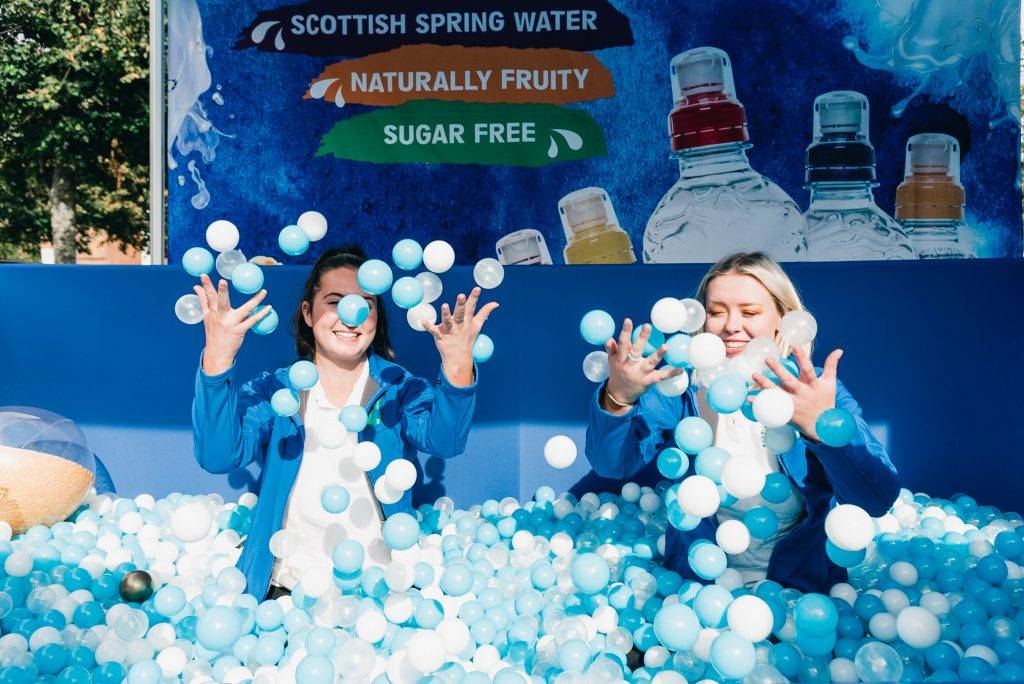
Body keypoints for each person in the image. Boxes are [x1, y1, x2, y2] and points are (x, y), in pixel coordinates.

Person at [191, 245, 498, 601]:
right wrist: (218, 355)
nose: (349, 316)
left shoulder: (399, 387)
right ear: (308, 312)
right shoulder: (276, 390)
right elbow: (218, 458)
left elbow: (446, 443)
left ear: (376, 317)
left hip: (379, 592)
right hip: (287, 592)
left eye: (364, 304)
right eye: (335, 302)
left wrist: (458, 363)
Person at [585, 251, 898, 593]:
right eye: (717, 312)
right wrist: (620, 396)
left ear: (782, 318)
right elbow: (611, 464)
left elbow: (876, 499)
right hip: (700, 593)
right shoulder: (680, 386)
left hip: (803, 593)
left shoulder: (816, 389)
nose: (731, 325)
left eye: (749, 312)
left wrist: (822, 427)